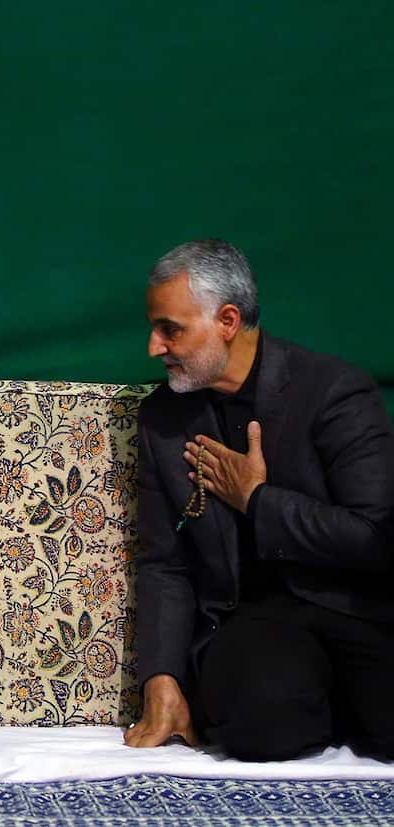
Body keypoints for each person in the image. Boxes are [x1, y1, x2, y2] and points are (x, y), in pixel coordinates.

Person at [124, 238, 394, 761]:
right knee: (263, 730)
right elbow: (165, 563)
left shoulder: (335, 392)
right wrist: (161, 678)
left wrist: (257, 499)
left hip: (357, 609)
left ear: (227, 320)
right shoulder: (164, 420)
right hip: (254, 620)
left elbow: (376, 537)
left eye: (170, 329)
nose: (155, 347)